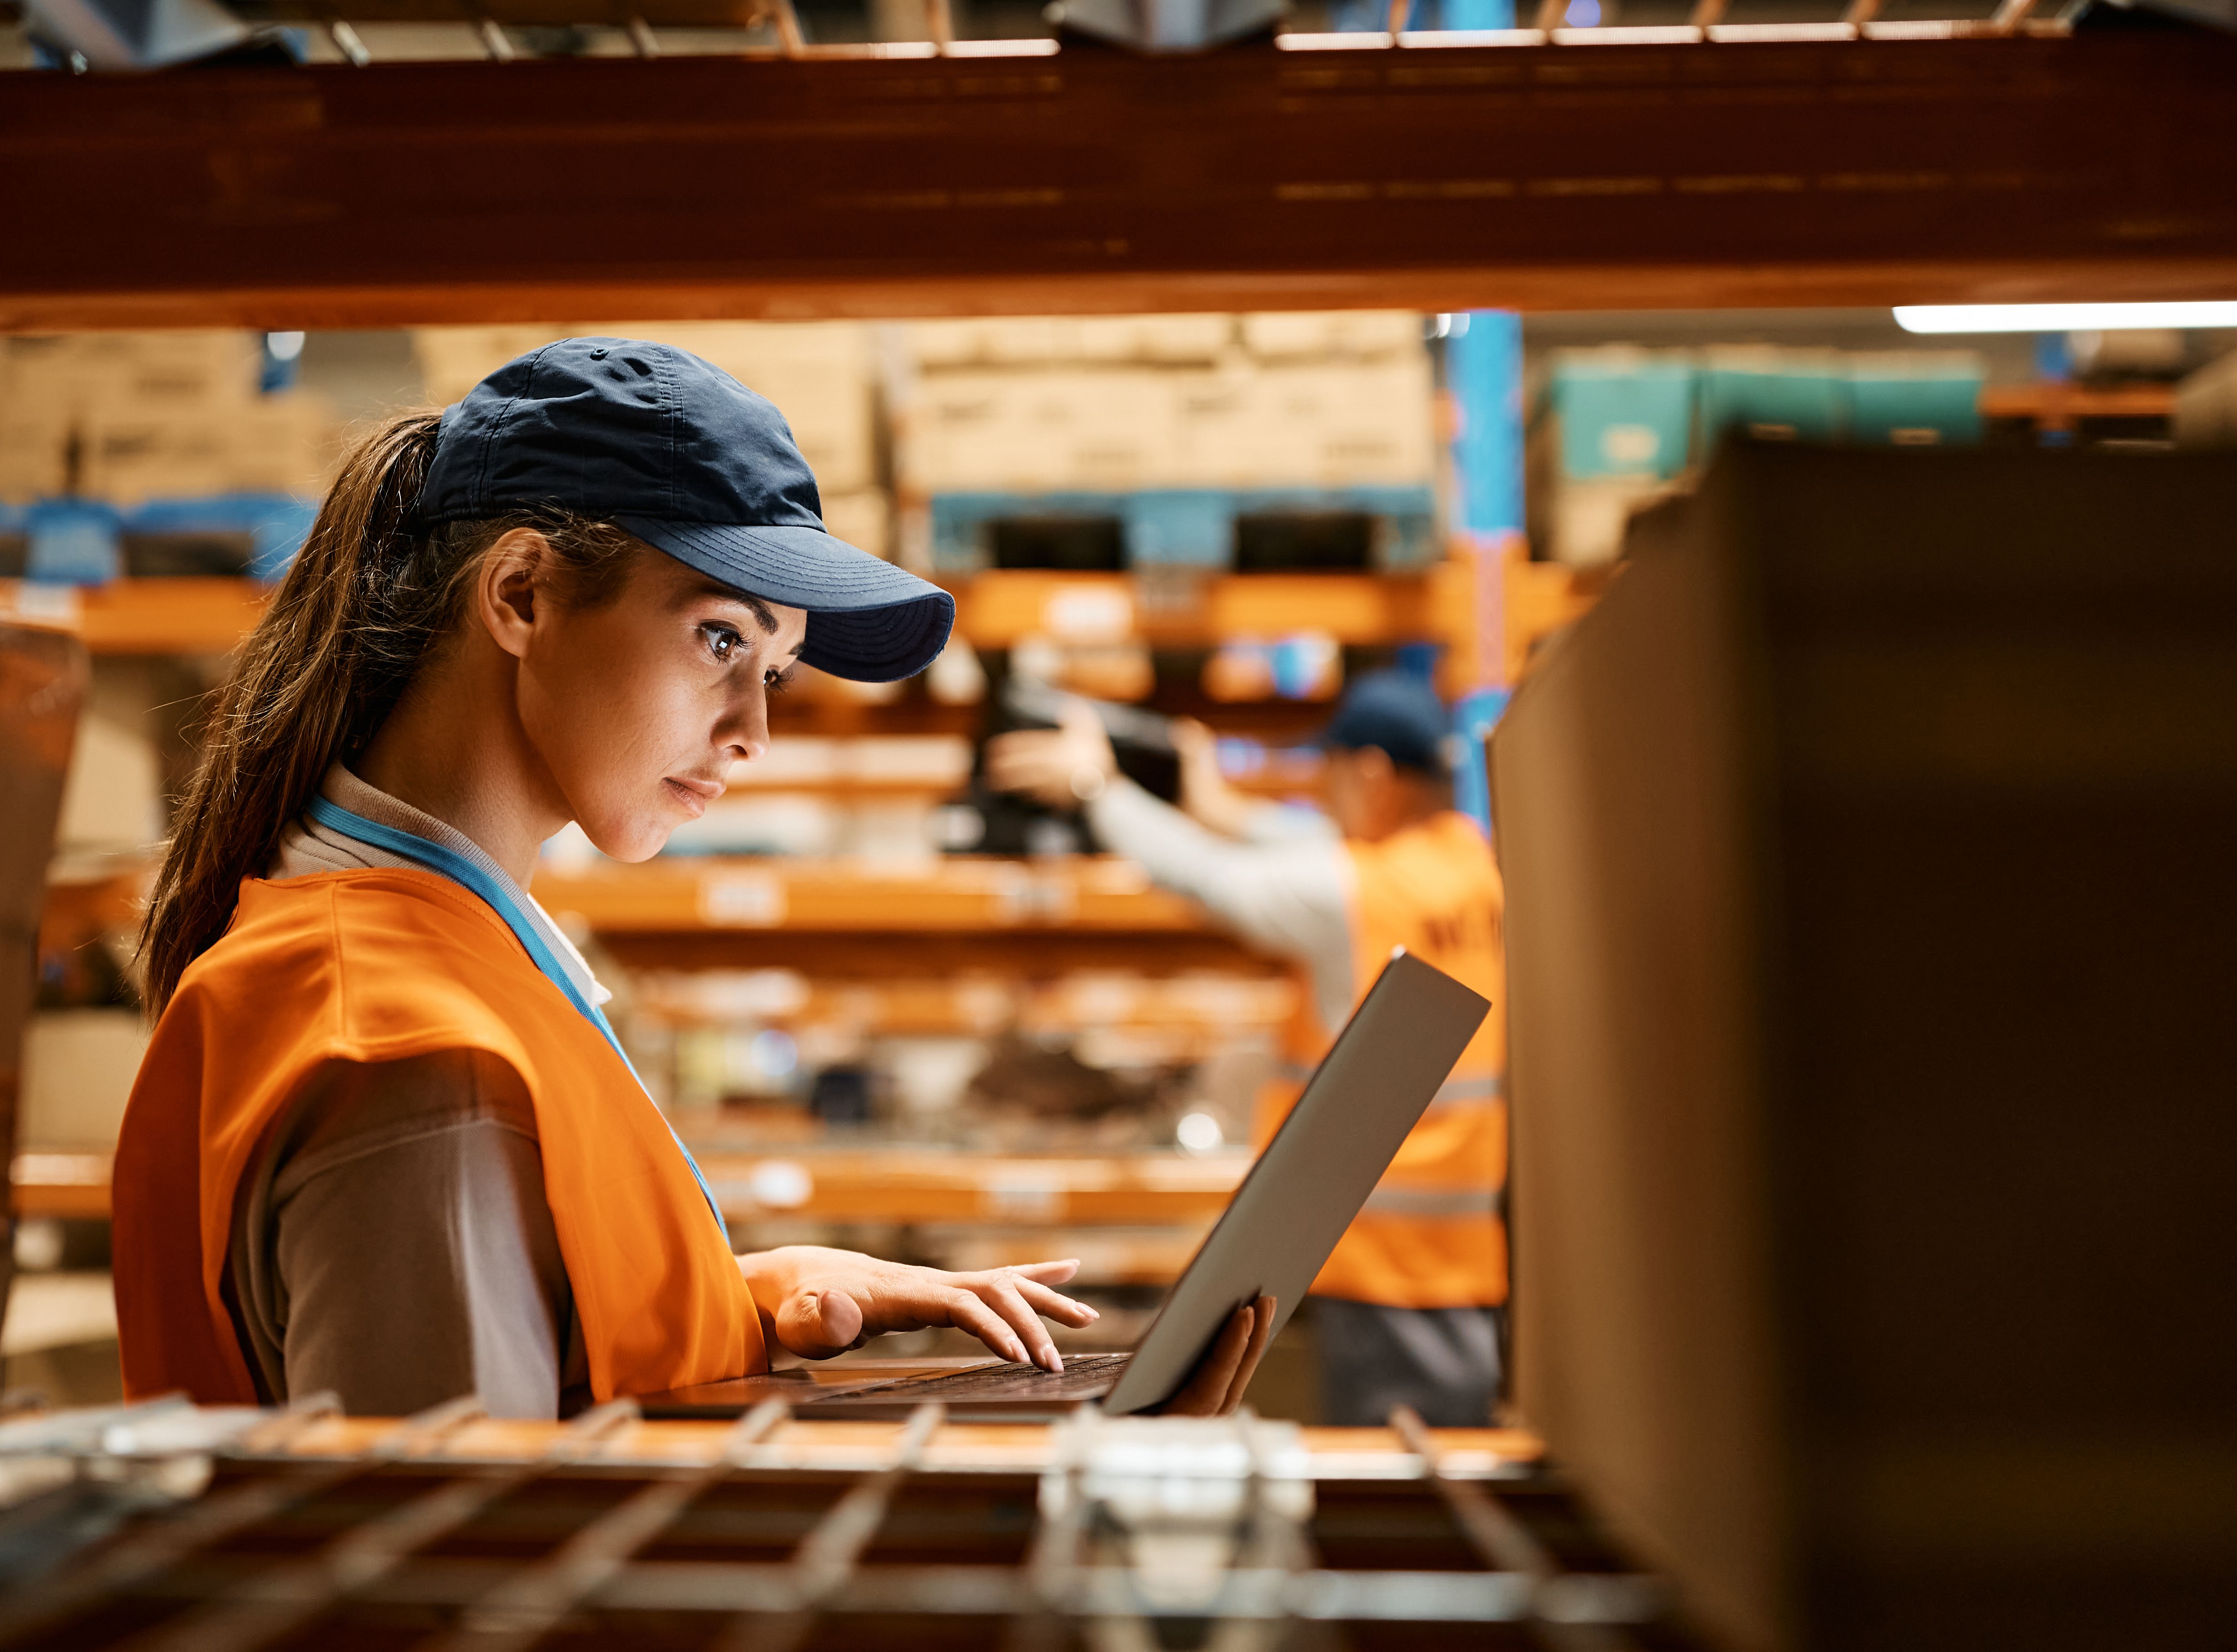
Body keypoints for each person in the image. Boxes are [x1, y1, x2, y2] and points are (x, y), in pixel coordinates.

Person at [114, 340, 1274, 1419]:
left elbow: (533, 1388)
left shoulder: (438, 967)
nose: (754, 731)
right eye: (724, 638)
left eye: (775, 667)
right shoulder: (408, 1049)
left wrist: (741, 1296)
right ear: (522, 595)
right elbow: (458, 1572)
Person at [987, 669, 1506, 1426]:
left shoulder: (1358, 890)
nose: (1322, 798)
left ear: (1371, 773)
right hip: (1455, 1243)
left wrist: (1098, 789)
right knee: (1442, 1469)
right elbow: (1309, 844)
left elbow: (1215, 879)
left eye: (1329, 777)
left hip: (1382, 1247)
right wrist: (1216, 801)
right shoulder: (1467, 859)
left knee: (1389, 1485)